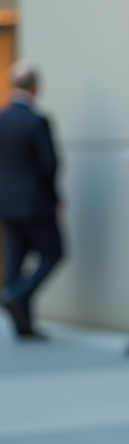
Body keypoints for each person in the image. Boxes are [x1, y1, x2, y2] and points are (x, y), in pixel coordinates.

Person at [0, 62, 64, 340]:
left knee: (15, 258)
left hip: (7, 203)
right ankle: (16, 295)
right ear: (35, 85)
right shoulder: (36, 121)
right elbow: (49, 164)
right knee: (54, 252)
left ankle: (23, 326)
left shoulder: (2, 119)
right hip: (35, 202)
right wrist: (56, 197)